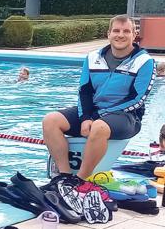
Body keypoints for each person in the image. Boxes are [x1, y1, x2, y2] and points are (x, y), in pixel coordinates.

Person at [42, 15, 154, 181]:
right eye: (116, 30)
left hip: (127, 116)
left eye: (126, 31)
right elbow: (84, 91)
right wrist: (86, 116)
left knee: (99, 127)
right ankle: (64, 177)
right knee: (50, 121)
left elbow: (137, 99)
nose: (120, 35)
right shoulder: (93, 57)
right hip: (94, 112)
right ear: (108, 34)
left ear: (134, 34)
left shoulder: (144, 61)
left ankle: (80, 180)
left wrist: (95, 117)